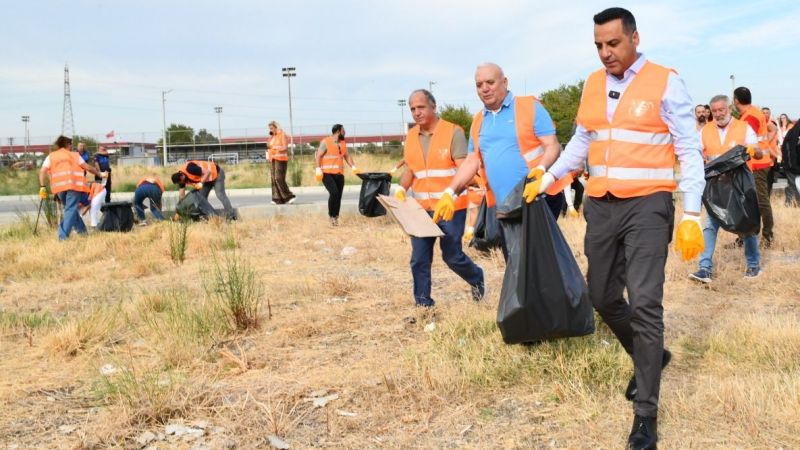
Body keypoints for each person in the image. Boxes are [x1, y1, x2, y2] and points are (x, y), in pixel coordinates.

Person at [532, 8, 706, 448]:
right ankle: (652, 356)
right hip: (601, 205)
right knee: (602, 296)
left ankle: (645, 414)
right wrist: (550, 178)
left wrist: (690, 215)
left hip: (648, 206)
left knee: (645, 303)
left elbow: (689, 147)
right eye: (598, 46)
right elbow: (582, 143)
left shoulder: (665, 80)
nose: (605, 53)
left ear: (634, 38)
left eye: (613, 43)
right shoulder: (593, 84)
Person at [432, 62, 563, 259]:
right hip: (504, 205)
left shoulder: (529, 107)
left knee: (537, 262)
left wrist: (541, 171)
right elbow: (471, 161)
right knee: (514, 260)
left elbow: (553, 145)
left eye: (490, 82)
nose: (484, 88)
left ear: (505, 82)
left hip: (537, 198)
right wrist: (451, 193)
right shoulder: (479, 121)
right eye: (479, 85)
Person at [392, 89, 485, 307]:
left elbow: (465, 171)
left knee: (452, 257)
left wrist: (453, 194)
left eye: (421, 107)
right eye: (413, 109)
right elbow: (411, 170)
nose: (416, 112)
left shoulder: (453, 132)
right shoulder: (411, 137)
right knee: (419, 259)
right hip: (421, 210)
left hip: (450, 207)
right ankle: (423, 304)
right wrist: (401, 189)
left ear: (433, 107)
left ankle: (477, 277)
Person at [690, 95, 761, 283]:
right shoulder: (705, 131)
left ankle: (753, 265)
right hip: (715, 186)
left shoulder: (743, 127)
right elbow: (696, 153)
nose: (718, 114)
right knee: (709, 225)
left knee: (745, 223)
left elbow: (757, 149)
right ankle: (705, 268)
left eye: (721, 110)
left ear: (729, 108)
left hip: (739, 185)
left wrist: (753, 150)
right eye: (714, 111)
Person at [38, 135, 102, 240]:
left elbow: (42, 171)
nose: (72, 146)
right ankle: (62, 237)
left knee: (70, 210)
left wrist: (42, 187)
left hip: (59, 189)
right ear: (67, 144)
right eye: (71, 144)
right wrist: (99, 174)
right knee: (71, 210)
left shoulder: (51, 156)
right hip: (73, 186)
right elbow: (88, 167)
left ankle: (82, 232)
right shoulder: (74, 155)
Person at [734, 87, 775, 247]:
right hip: (758, 163)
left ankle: (767, 237)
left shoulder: (749, 117)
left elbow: (744, 142)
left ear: (736, 100)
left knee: (761, 201)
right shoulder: (754, 112)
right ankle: (744, 237)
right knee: (752, 202)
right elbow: (772, 130)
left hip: (756, 164)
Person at [314, 124, 359, 226]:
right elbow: (318, 156)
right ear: (338, 131)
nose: (345, 132)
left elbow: (347, 156)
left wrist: (353, 167)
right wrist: (318, 169)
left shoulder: (342, 143)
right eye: (343, 130)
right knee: (334, 193)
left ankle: (336, 217)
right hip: (327, 173)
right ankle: (331, 216)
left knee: (338, 196)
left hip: (339, 174)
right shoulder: (326, 141)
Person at [171, 160, 237, 220]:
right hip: (207, 180)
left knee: (220, 195)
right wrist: (180, 209)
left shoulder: (190, 168)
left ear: (181, 176)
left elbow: (207, 172)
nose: (182, 184)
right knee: (201, 198)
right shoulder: (181, 178)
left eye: (180, 182)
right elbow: (181, 194)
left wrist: (200, 184)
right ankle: (209, 218)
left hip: (216, 173)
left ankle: (232, 216)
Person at [266, 121, 296, 205]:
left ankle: (289, 196)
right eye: (269, 129)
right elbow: (269, 146)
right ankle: (277, 198)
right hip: (273, 159)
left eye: (272, 128)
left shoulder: (282, 135)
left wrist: (276, 150)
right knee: (273, 179)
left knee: (278, 178)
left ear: (276, 127)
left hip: (281, 158)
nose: (270, 130)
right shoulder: (272, 137)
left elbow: (285, 147)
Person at [782, 119, 800, 206]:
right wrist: (792, 165)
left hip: (794, 164)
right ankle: (790, 204)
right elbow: (789, 149)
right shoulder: (794, 133)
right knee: (793, 186)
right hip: (793, 165)